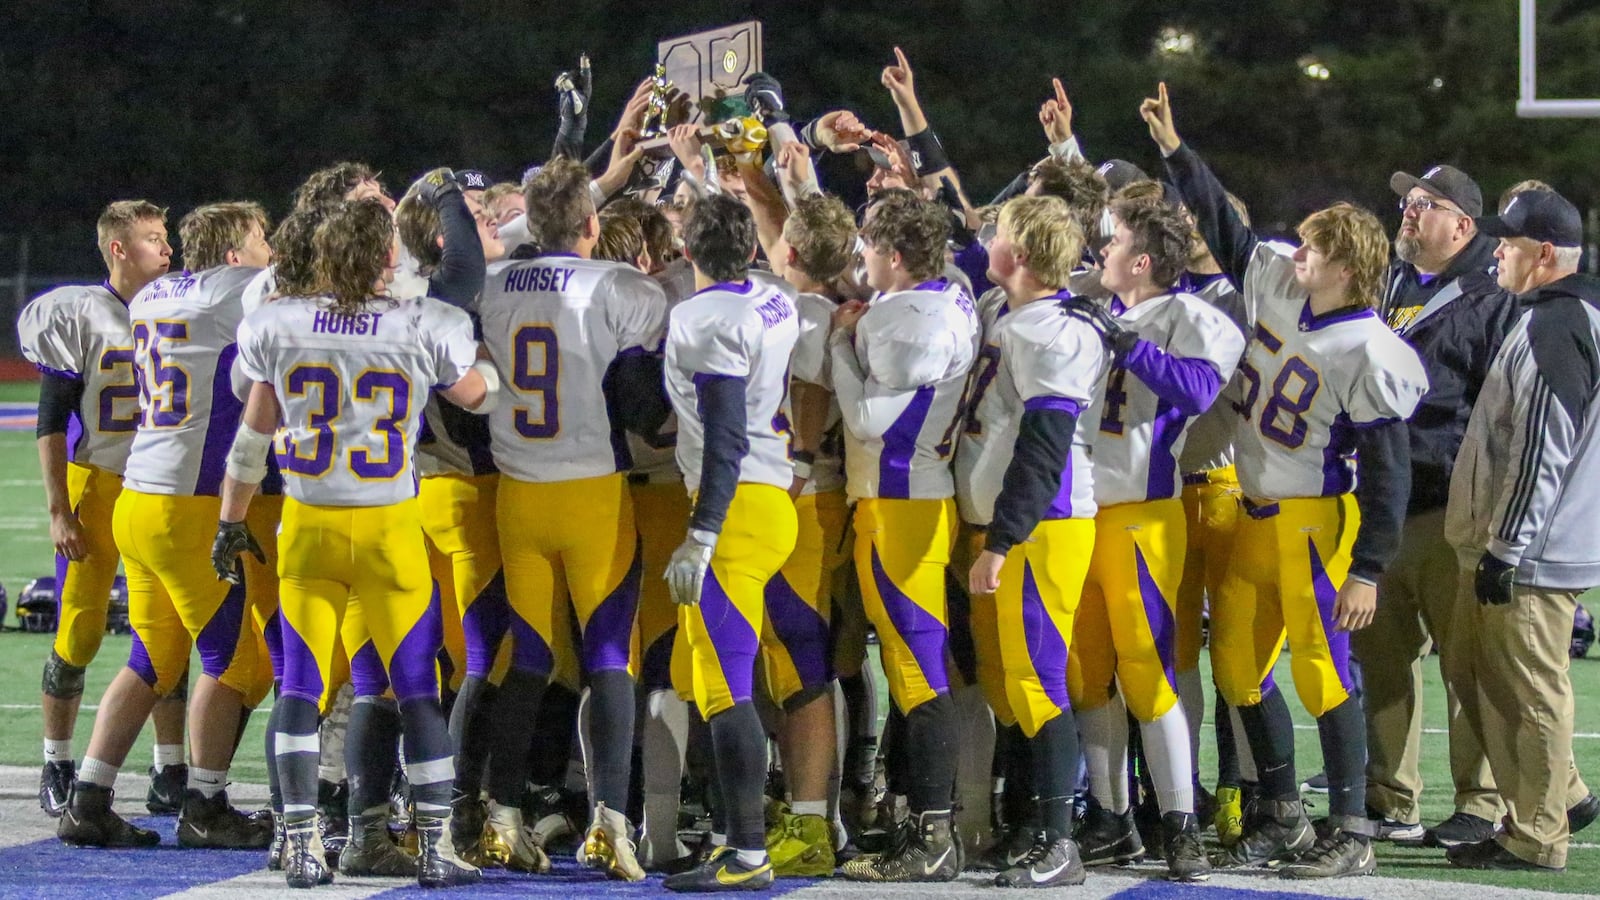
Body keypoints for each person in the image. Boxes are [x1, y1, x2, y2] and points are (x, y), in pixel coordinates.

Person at [1146, 82, 1429, 878]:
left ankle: (1352, 832)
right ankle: (1283, 815)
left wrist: (1368, 565)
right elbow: (1228, 230)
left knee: (1323, 674)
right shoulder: (1277, 284)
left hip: (1316, 522)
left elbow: (1388, 468)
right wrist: (1177, 152)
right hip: (1254, 513)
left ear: (1343, 265)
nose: (1291, 255)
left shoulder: (1369, 349)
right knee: (1238, 668)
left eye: (1310, 249)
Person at [214, 196, 495, 888]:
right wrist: (482, 360)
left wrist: (229, 520)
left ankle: (304, 844)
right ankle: (434, 848)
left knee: (301, 689)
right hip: (390, 530)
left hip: (307, 528)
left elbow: (251, 440)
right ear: (385, 257)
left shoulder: (276, 322)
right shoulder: (423, 322)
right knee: (417, 691)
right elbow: (476, 396)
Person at [57, 202, 278, 851]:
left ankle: (89, 797)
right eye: (261, 238)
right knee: (235, 661)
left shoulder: (155, 293)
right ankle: (205, 803)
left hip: (139, 494)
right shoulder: (239, 289)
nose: (269, 249)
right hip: (189, 503)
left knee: (153, 658)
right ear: (237, 252)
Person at [477, 157, 668, 882]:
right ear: (592, 223)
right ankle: (611, 824)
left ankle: (501, 817)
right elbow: (642, 409)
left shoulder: (492, 285)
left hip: (518, 494)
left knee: (527, 660)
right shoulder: (621, 287)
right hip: (594, 494)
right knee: (610, 657)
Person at [1069, 196, 1243, 881]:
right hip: (1079, 513)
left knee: (1148, 668)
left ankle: (1180, 822)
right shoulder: (1095, 303)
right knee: (1089, 673)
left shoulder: (1192, 317)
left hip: (1144, 514)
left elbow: (1196, 390)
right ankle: (1110, 818)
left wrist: (1125, 345)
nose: (1102, 252)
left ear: (1142, 260)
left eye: (1114, 244)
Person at [1355, 164, 1517, 847]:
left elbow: (1499, 409)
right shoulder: (1385, 283)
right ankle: (1390, 798)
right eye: (1408, 203)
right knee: (1382, 661)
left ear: (1465, 226)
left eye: (1427, 205)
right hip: (1380, 506)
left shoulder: (1491, 295)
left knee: (1465, 665)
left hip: (1448, 506)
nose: (1410, 213)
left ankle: (1480, 804)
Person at [1443, 189, 1600, 872]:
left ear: (1542, 254)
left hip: (1530, 552)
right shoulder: (1562, 316)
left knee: (1528, 695)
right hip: (1536, 541)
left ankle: (1537, 833)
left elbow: (1542, 447)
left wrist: (1506, 548)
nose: (1496, 250)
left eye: (1507, 242)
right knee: (1484, 679)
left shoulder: (1555, 325)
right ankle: (1558, 799)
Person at [955, 194, 1109, 888]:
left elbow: (1044, 453)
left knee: (1037, 682)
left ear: (1019, 253)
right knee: (1010, 685)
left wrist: (1002, 540)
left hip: (1041, 526)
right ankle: (1029, 825)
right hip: (1007, 524)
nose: (989, 239)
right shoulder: (1009, 313)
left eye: (1001, 233)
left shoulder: (1054, 332)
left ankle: (1060, 841)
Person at [17, 200, 187, 819]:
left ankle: (172, 765)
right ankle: (57, 759)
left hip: (158, 485)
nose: (166, 249)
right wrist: (59, 509)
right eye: (151, 239)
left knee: (165, 631)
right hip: (97, 483)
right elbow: (50, 422)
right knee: (80, 630)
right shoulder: (81, 314)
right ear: (118, 249)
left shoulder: (180, 306)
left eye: (166, 237)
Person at [831, 193, 978, 883]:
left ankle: (934, 836)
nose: (861, 259)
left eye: (867, 247)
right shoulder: (943, 299)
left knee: (918, 675)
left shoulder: (908, 320)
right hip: (915, 501)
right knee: (912, 669)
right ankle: (926, 825)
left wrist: (838, 344)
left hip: (902, 504)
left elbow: (866, 419)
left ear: (893, 255)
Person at [659, 193, 800, 892]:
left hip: (733, 509)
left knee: (724, 688)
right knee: (722, 678)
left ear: (687, 252)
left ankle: (747, 855)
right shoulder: (774, 298)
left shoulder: (703, 318)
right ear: (749, 250)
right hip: (773, 497)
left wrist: (702, 533)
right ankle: (732, 838)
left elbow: (724, 435)